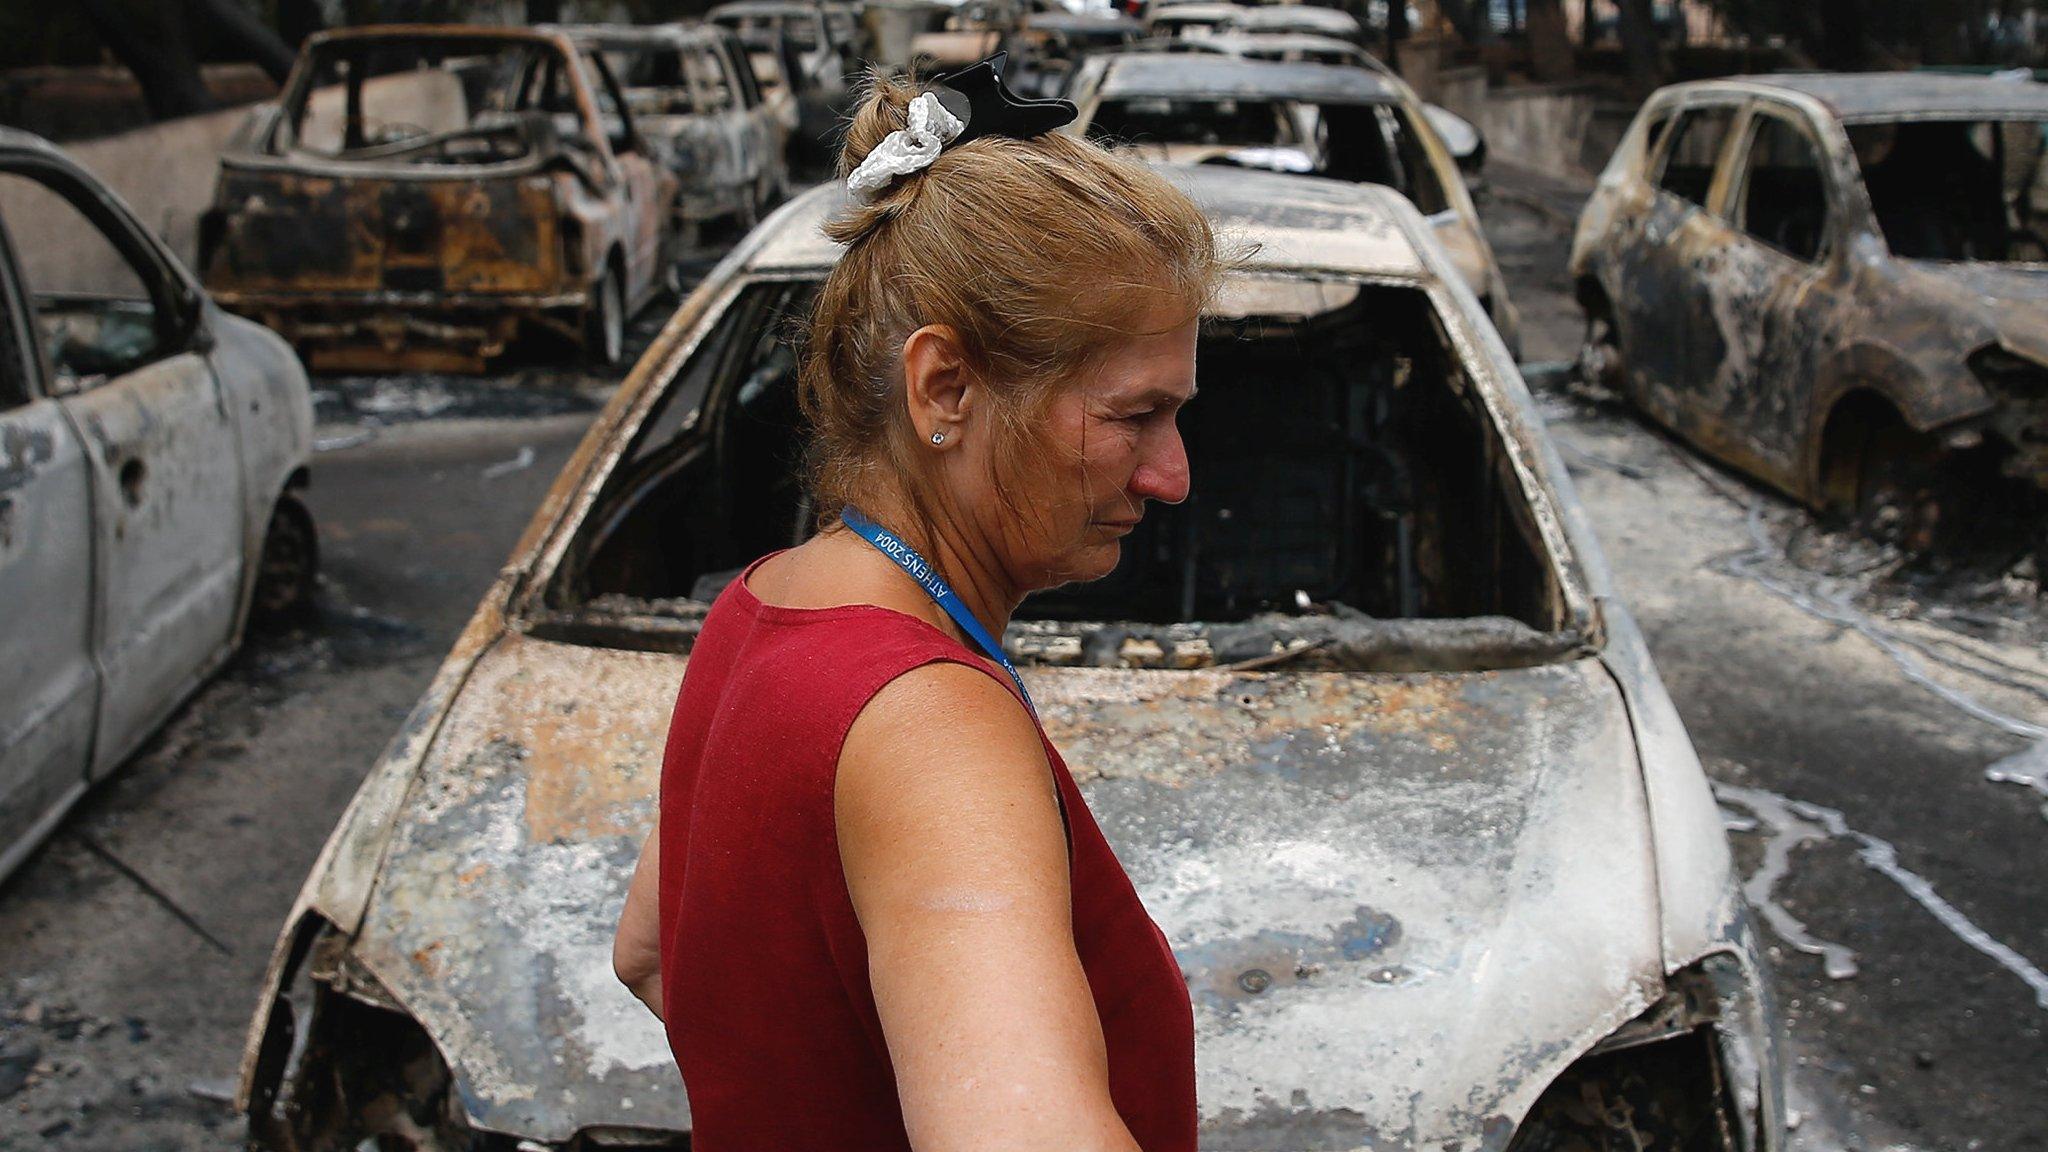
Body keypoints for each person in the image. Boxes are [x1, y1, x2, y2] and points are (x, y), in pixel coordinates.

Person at [610, 57, 1222, 1151]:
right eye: (1134, 415)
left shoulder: (754, 610)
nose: (1170, 475)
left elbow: (649, 955)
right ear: (944, 388)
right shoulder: (929, 723)